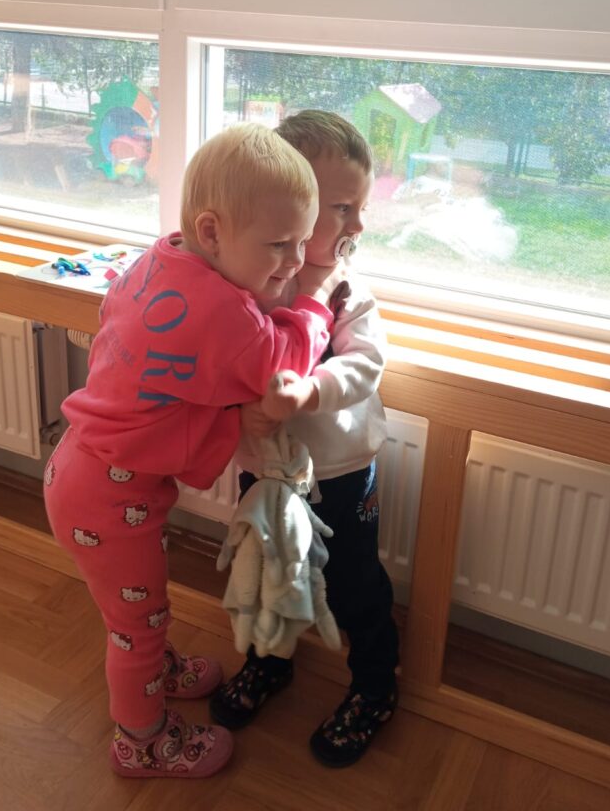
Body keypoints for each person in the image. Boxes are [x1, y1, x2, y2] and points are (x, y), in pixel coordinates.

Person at [43, 124, 345, 780]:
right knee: (135, 627)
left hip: (86, 471)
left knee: (137, 610)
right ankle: (142, 742)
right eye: (279, 244)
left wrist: (270, 275)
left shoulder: (163, 257)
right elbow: (285, 361)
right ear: (212, 232)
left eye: (302, 243)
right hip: (106, 497)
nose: (295, 261)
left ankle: (158, 668)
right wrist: (317, 299)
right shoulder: (225, 314)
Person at [209, 110, 399, 768]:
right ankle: (269, 660)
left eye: (360, 207)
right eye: (343, 208)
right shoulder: (249, 281)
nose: (358, 225)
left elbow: (366, 364)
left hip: (339, 473)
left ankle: (374, 685)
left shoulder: (344, 290)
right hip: (267, 470)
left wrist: (310, 390)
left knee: (353, 586)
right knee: (268, 571)